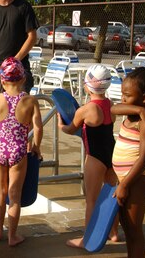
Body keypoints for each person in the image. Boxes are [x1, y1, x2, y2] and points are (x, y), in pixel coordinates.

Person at [58, 64, 119, 248]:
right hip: (111, 153)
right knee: (112, 197)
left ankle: (87, 240)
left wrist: (61, 126)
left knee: (91, 199)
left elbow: (71, 129)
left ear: (87, 85)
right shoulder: (110, 105)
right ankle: (114, 233)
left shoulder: (86, 110)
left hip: (94, 157)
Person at [0, 57, 43, 247]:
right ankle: (13, 236)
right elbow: (38, 128)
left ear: (2, 80)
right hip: (19, 150)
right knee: (14, 195)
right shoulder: (30, 101)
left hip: (0, 149)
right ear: (23, 78)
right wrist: (35, 146)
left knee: (1, 192)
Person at [111, 67, 145, 258]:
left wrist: (124, 184)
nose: (123, 99)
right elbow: (113, 108)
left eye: (127, 95)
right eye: (122, 94)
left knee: (134, 231)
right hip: (125, 180)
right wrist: (138, 108)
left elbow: (143, 159)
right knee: (126, 227)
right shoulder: (133, 113)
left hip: (137, 180)